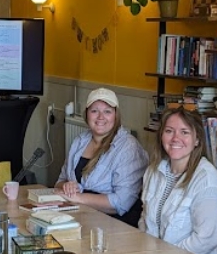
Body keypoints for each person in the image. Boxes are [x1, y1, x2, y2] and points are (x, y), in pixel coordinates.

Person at [139, 105, 217, 254]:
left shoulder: (207, 182)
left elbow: (205, 240)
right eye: (169, 131)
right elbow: (145, 220)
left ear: (197, 140)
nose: (175, 138)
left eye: (184, 132)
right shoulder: (154, 171)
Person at [56, 88, 148, 227]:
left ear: (116, 115)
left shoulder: (129, 148)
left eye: (107, 111)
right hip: (79, 217)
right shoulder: (79, 141)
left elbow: (121, 202)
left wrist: (78, 197)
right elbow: (60, 181)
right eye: (94, 111)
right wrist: (67, 186)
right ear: (86, 114)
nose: (100, 117)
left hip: (114, 225)